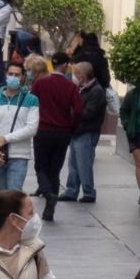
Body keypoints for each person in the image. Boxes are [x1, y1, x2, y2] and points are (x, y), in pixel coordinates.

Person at [27, 54, 82, 221]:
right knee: (55, 169)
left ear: (52, 64)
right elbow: (79, 110)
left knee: (41, 167)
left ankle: (48, 193)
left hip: (43, 130)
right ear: (65, 66)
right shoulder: (71, 87)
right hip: (63, 132)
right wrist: (72, 126)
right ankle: (50, 206)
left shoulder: (40, 84)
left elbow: (31, 104)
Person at [0, 57, 39, 192]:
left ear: (23, 77)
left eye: (17, 75)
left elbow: (31, 128)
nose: (13, 77)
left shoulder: (31, 100)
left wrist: (5, 139)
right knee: (0, 195)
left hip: (19, 155)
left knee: (13, 194)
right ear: (5, 75)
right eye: (10, 74)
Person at [61, 61, 106, 204]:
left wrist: (73, 113)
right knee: (73, 162)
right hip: (77, 131)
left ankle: (88, 192)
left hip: (86, 131)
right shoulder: (82, 88)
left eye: (77, 73)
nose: (74, 76)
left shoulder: (96, 90)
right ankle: (71, 190)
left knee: (83, 163)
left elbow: (88, 113)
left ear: (83, 75)